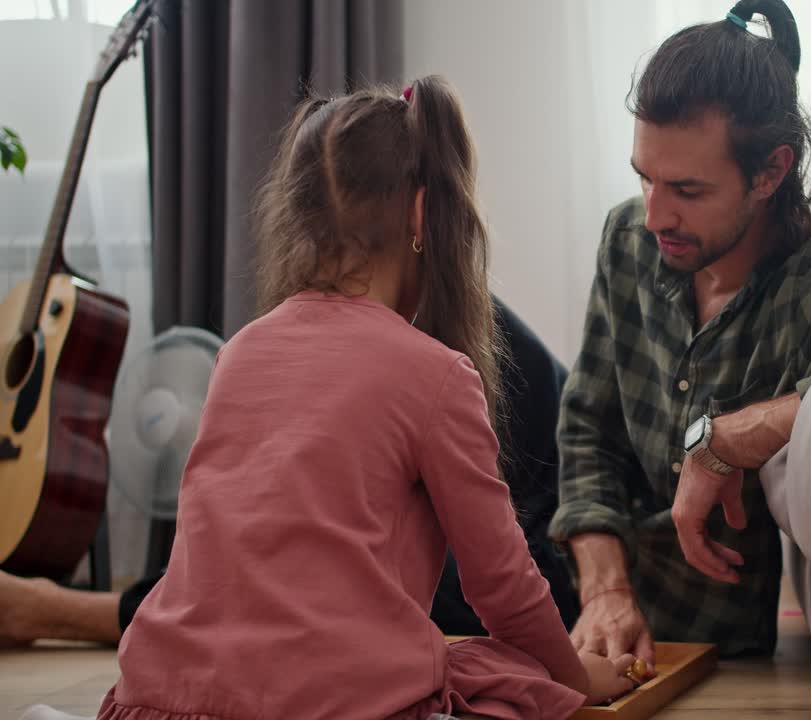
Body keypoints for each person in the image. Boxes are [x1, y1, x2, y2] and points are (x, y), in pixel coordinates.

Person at [91, 76, 638, 720]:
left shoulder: (237, 351)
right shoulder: (436, 373)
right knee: (505, 675)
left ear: (299, 212)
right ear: (419, 215)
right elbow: (501, 585)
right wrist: (578, 679)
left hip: (154, 694)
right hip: (324, 703)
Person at [550, 0, 811, 665]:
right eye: (645, 178)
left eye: (686, 189)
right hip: (575, 567)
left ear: (770, 171)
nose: (655, 216)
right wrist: (604, 590)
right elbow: (586, 429)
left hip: (688, 628)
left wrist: (727, 439)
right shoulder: (628, 236)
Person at [0, 295, 577, 648]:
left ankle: (77, 611)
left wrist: (571, 671)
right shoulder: (263, 348)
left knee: (344, 570)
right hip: (549, 510)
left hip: (556, 546)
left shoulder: (442, 348)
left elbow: (508, 587)